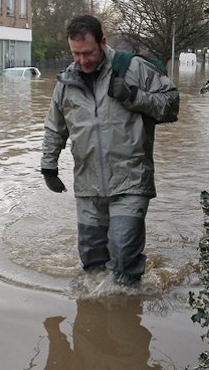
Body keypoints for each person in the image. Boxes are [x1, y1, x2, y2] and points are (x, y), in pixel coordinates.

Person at [41, 15, 179, 286]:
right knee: (92, 263)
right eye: (75, 53)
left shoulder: (134, 69)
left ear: (103, 43)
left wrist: (133, 96)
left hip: (131, 181)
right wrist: (49, 166)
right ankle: (96, 319)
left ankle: (126, 313)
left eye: (88, 52)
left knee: (123, 255)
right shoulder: (66, 82)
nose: (82, 60)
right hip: (88, 185)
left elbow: (172, 104)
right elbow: (55, 128)